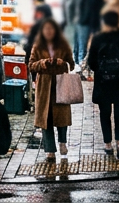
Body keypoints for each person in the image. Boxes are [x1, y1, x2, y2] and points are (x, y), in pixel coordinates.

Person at [86, 10, 119, 159]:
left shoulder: (97, 38)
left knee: (105, 113)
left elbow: (92, 62)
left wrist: (101, 71)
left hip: (103, 82)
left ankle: (107, 143)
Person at [27, 18, 75, 161]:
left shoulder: (64, 45)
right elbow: (30, 65)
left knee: (62, 117)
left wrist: (63, 63)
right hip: (44, 87)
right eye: (46, 29)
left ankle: (62, 142)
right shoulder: (38, 46)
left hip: (61, 84)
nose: (49, 32)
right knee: (45, 118)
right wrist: (42, 63)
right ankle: (50, 150)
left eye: (51, 29)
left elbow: (71, 65)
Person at [75, 0, 104, 67]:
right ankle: (79, 65)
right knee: (81, 45)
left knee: (86, 46)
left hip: (92, 23)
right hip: (83, 23)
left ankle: (82, 65)